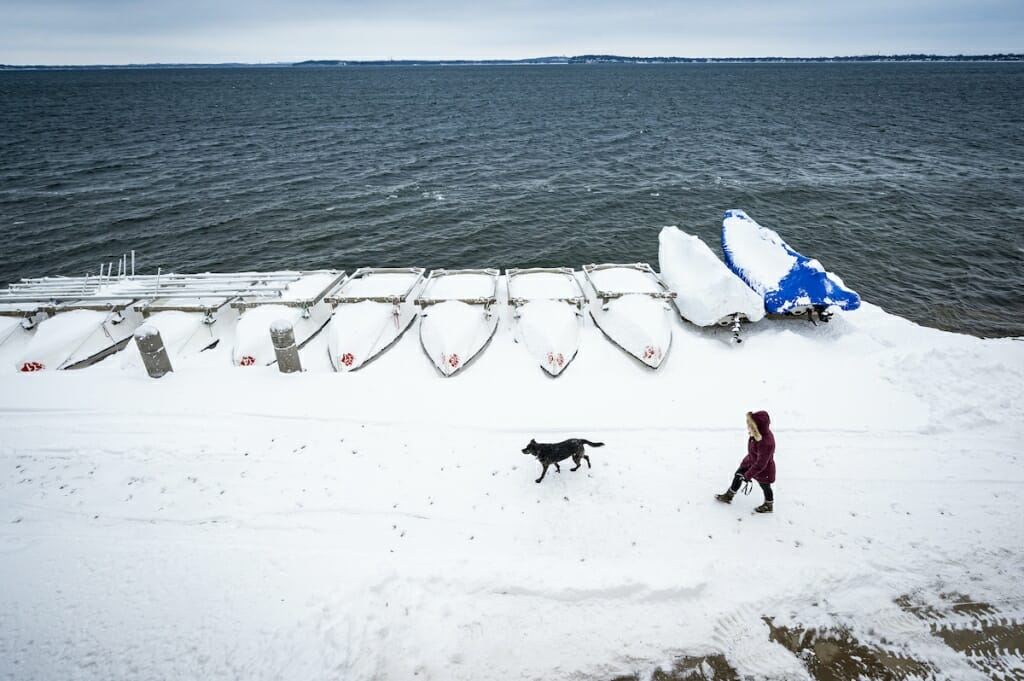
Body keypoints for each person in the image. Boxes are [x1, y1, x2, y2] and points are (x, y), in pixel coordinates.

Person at [715, 410, 776, 513]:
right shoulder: (757, 435)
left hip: (763, 470)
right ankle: (729, 495)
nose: (748, 427)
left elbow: (761, 464)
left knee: (765, 486)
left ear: (758, 428)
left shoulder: (766, 443)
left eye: (750, 426)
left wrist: (748, 475)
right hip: (751, 462)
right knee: (738, 474)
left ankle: (768, 505)